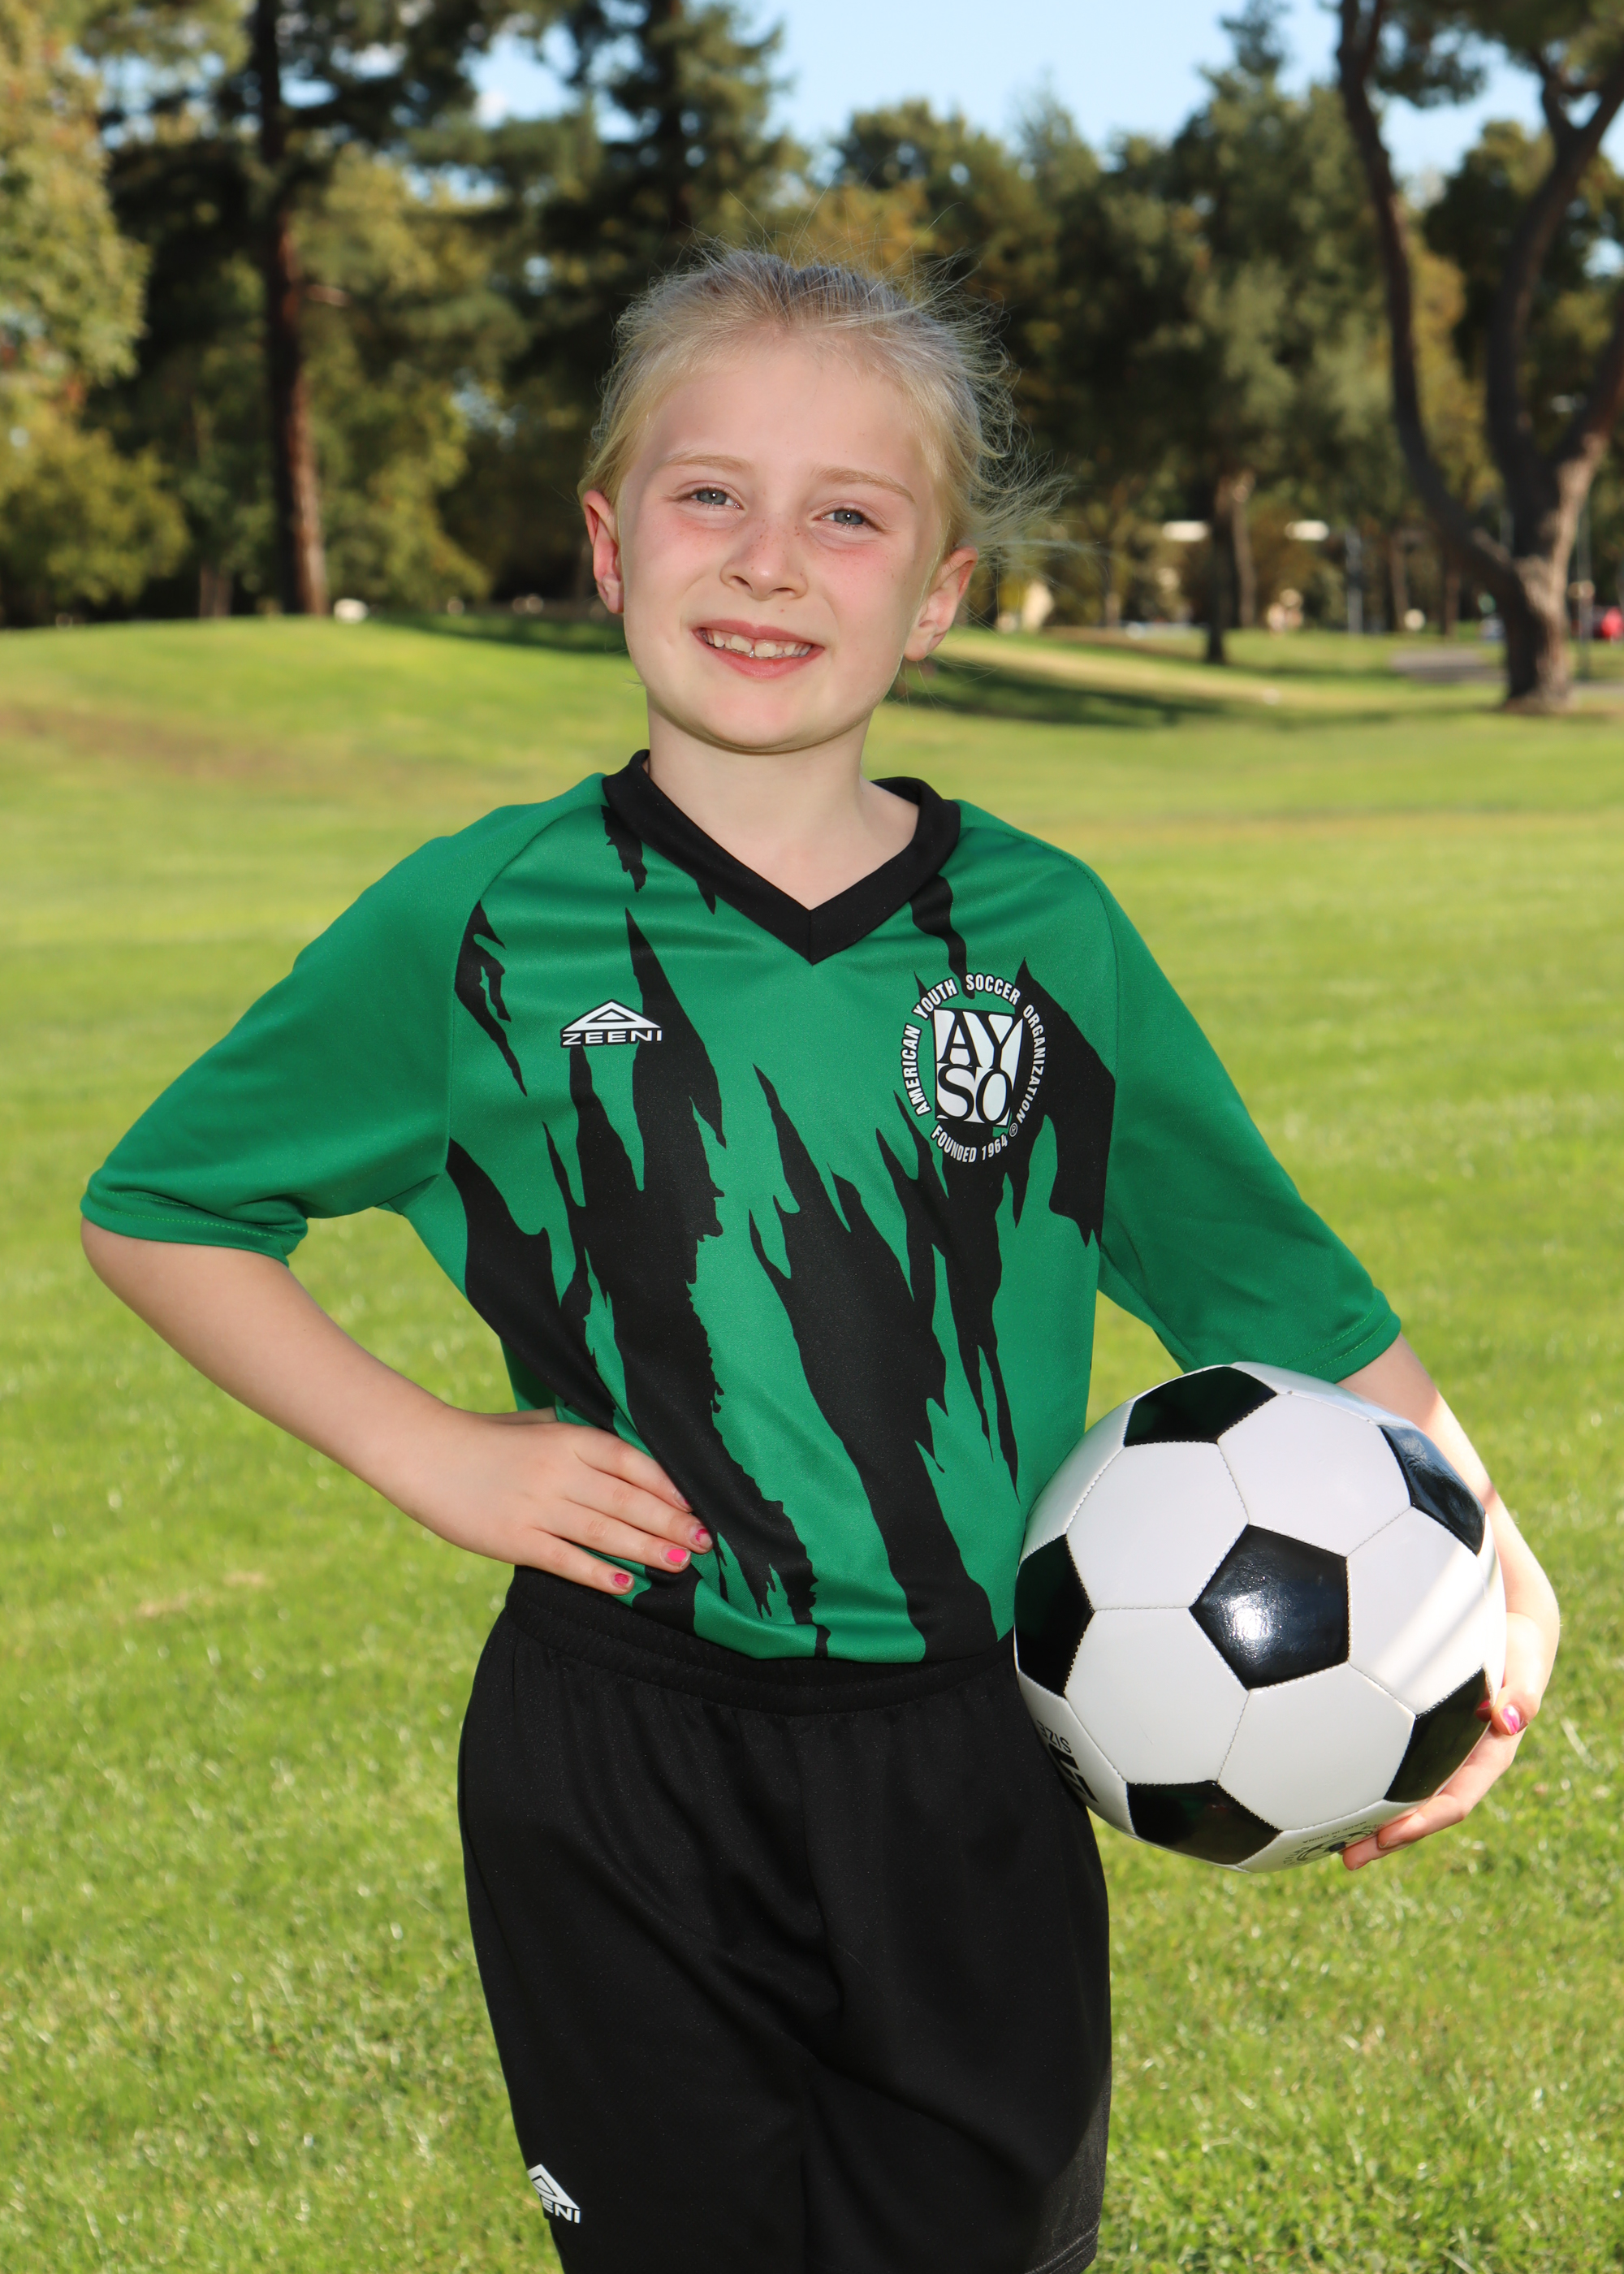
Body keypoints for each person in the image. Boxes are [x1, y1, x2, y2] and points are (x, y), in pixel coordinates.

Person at [81, 252, 1559, 2274]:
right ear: (610, 540)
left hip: (973, 1755)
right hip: (619, 1750)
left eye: (847, 514)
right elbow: (163, 1205)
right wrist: (431, 1450)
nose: (769, 559)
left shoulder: (1044, 931)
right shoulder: (485, 922)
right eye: (709, 494)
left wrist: (1488, 1543)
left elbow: (1259, 1272)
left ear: (936, 591)